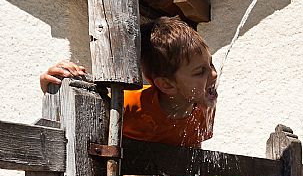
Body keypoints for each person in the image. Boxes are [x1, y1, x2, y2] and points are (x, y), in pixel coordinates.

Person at [40, 16, 218, 148]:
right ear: (167, 85)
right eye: (200, 71)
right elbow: (78, 113)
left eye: (211, 64)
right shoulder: (127, 105)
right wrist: (51, 85)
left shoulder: (204, 111)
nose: (214, 74)